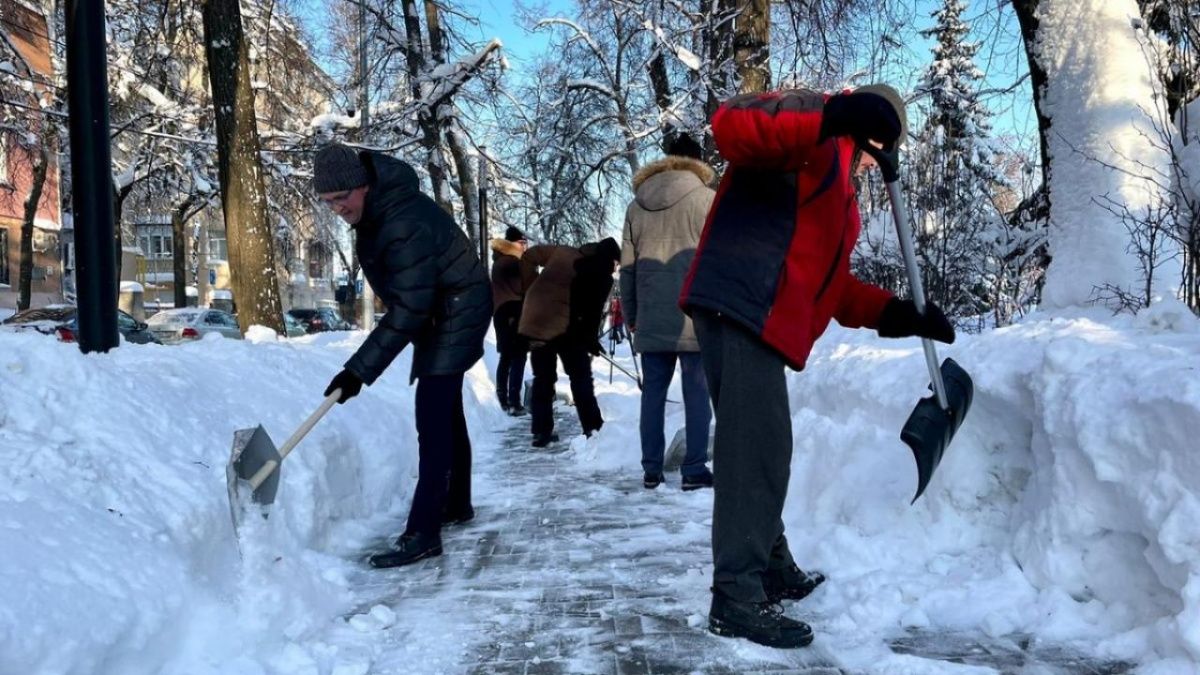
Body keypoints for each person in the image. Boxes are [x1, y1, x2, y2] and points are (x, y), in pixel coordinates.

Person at [679, 85, 956, 648]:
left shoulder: (841, 192)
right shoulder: (811, 126)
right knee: (757, 450)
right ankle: (736, 593)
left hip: (757, 309)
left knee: (758, 446)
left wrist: (895, 313)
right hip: (741, 298)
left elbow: (828, 288)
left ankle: (771, 563)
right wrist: (831, 114)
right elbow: (731, 125)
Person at [313, 142, 492, 569]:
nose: (338, 208)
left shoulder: (400, 219)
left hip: (454, 310)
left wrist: (357, 371)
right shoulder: (382, 210)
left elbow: (410, 307)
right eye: (328, 202)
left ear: (363, 185)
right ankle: (456, 504)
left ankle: (423, 534)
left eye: (342, 197)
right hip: (443, 308)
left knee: (431, 419)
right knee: (445, 413)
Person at [619, 132, 715, 491]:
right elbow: (717, 260)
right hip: (695, 313)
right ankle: (693, 469)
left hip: (651, 314)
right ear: (697, 162)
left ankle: (651, 468)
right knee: (696, 394)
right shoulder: (707, 200)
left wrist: (632, 314)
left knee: (653, 395)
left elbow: (627, 267)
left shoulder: (635, 205)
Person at [518, 237, 621, 447]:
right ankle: (593, 428)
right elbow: (592, 313)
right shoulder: (599, 271)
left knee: (543, 377)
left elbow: (529, 256)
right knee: (580, 376)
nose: (615, 268)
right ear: (610, 259)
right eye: (616, 263)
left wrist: (532, 288)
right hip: (566, 327)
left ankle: (541, 432)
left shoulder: (562, 251)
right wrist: (590, 340)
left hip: (536, 318)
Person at [490, 226, 530, 416]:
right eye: (521, 243)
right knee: (519, 356)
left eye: (525, 243)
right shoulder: (511, 263)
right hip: (513, 311)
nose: (524, 246)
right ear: (511, 243)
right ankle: (514, 401)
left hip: (501, 313)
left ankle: (503, 399)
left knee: (506, 357)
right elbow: (522, 288)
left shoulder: (499, 261)